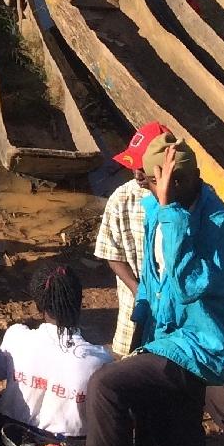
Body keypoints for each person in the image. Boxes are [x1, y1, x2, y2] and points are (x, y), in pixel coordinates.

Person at [49, 134, 224, 446]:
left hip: (199, 347)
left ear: (178, 182)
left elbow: (183, 285)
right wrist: (141, 322)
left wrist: (170, 208)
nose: (147, 185)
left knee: (107, 386)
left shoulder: (218, 224)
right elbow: (154, 284)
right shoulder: (156, 208)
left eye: (155, 179)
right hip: (165, 340)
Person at [0, 263, 113, 442]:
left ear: (38, 306)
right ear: (79, 302)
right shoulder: (99, 361)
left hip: (10, 439)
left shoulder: (16, 337)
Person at [93, 121, 167, 357]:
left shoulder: (190, 200)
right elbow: (112, 254)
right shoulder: (122, 198)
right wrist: (139, 292)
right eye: (133, 166)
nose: (136, 173)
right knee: (127, 359)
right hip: (132, 304)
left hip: (175, 310)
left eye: (142, 166)